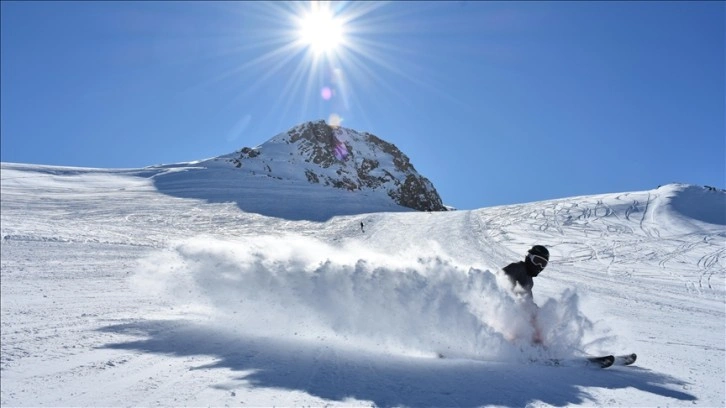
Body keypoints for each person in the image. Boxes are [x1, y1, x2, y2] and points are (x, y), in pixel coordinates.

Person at [502, 245, 549, 344]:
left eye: (543, 264)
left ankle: (536, 346)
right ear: (529, 257)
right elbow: (500, 283)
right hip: (507, 311)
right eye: (537, 261)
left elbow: (528, 302)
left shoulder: (528, 279)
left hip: (516, 313)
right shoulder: (517, 268)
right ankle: (517, 343)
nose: (539, 266)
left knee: (538, 319)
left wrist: (542, 313)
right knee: (532, 320)